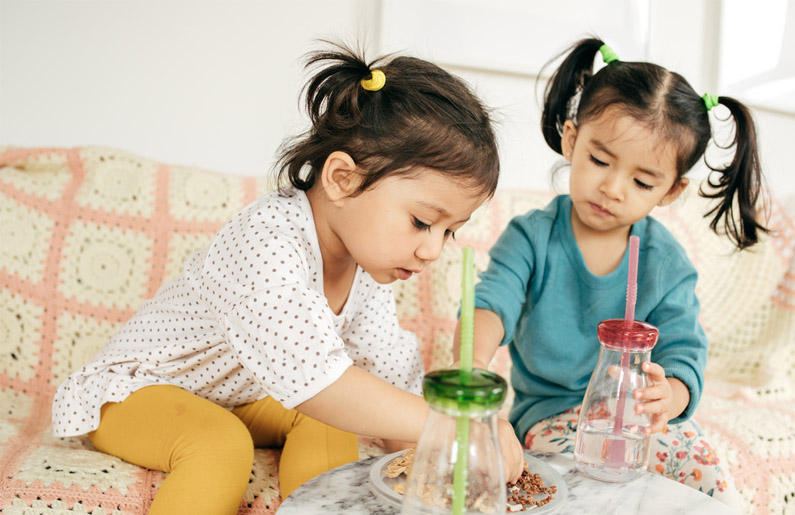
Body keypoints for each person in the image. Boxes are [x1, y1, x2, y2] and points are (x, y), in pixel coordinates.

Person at [51, 42, 525, 514]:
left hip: (241, 396)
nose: (433, 250)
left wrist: (456, 451)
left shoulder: (369, 269)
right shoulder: (265, 240)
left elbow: (389, 393)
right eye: (422, 222)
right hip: (135, 391)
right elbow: (321, 383)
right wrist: (453, 426)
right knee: (219, 444)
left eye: (450, 233)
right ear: (343, 179)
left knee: (335, 423)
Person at [453, 37, 766, 505]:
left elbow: (683, 349)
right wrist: (472, 365)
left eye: (642, 181)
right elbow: (492, 303)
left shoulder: (667, 262)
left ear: (671, 191)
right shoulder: (532, 237)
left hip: (640, 422)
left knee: (704, 475)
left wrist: (672, 397)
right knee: (585, 490)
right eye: (600, 160)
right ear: (571, 139)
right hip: (551, 417)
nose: (613, 188)